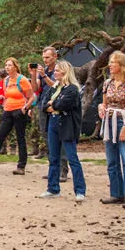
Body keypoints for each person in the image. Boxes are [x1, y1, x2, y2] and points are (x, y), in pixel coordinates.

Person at [97, 50, 125, 208]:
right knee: (112, 161)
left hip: (124, 121)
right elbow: (105, 103)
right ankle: (117, 194)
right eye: (110, 62)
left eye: (113, 62)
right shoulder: (107, 83)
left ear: (122, 65)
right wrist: (101, 107)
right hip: (109, 121)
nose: (110, 65)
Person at [38, 61, 87, 202]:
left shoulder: (72, 89)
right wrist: (51, 106)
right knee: (53, 158)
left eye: (58, 71)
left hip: (67, 126)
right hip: (53, 123)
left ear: (65, 72)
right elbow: (43, 104)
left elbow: (64, 104)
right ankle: (53, 188)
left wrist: (53, 105)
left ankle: (80, 190)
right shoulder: (54, 88)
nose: (55, 73)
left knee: (72, 158)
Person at [29, 47, 61, 172]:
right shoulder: (44, 70)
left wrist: (44, 75)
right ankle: (53, 169)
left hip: (57, 107)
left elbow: (56, 85)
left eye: (47, 57)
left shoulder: (60, 70)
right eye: (43, 58)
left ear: (55, 57)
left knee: (58, 139)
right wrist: (33, 75)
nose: (45, 60)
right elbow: (35, 88)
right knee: (46, 137)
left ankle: (62, 170)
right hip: (43, 107)